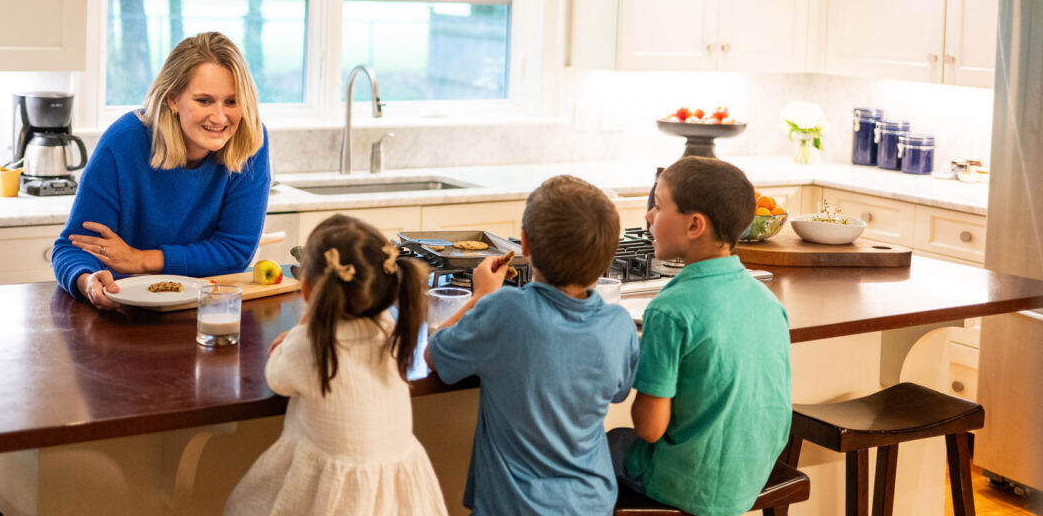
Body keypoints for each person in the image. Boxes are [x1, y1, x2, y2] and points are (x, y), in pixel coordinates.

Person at [425, 175, 639, 516]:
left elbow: (434, 354)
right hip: (592, 503)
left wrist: (481, 296)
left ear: (523, 244)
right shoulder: (620, 326)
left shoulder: (505, 311)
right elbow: (617, 393)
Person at [223, 214, 446, 516]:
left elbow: (276, 378)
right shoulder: (388, 329)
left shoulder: (310, 345)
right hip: (395, 498)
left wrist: (302, 327)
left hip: (334, 500)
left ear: (306, 290)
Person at [609, 156, 792, 516]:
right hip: (752, 472)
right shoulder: (767, 301)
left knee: (605, 444)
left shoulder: (670, 308)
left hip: (689, 483)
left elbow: (648, 428)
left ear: (694, 225)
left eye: (658, 206)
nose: (648, 216)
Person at [52, 32, 272, 308]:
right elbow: (74, 247)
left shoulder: (250, 139)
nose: (219, 117)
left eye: (232, 101)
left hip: (207, 310)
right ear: (172, 99)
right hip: (128, 310)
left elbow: (234, 251)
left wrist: (140, 259)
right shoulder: (124, 142)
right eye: (204, 101)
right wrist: (87, 280)